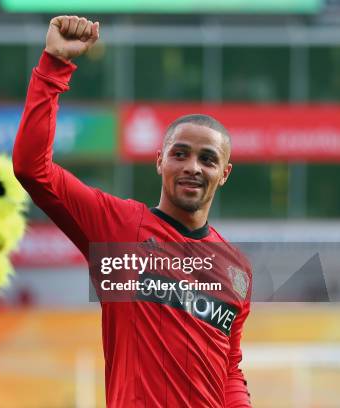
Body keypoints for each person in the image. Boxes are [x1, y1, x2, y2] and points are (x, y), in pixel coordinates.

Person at [13, 15, 252, 407]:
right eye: (180, 154)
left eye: (207, 159)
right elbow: (32, 169)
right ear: (159, 161)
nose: (193, 166)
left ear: (223, 174)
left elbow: (229, 368)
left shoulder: (236, 269)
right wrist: (54, 65)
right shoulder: (117, 227)